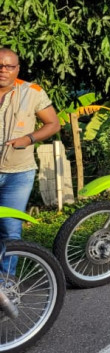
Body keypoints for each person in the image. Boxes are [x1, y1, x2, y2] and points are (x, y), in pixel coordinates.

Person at [0, 48, 62, 271]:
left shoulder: (33, 92)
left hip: (19, 173)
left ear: (17, 69)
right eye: (0, 65)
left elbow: (53, 124)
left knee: (10, 230)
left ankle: (6, 285)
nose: (3, 70)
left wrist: (29, 138)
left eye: (9, 66)